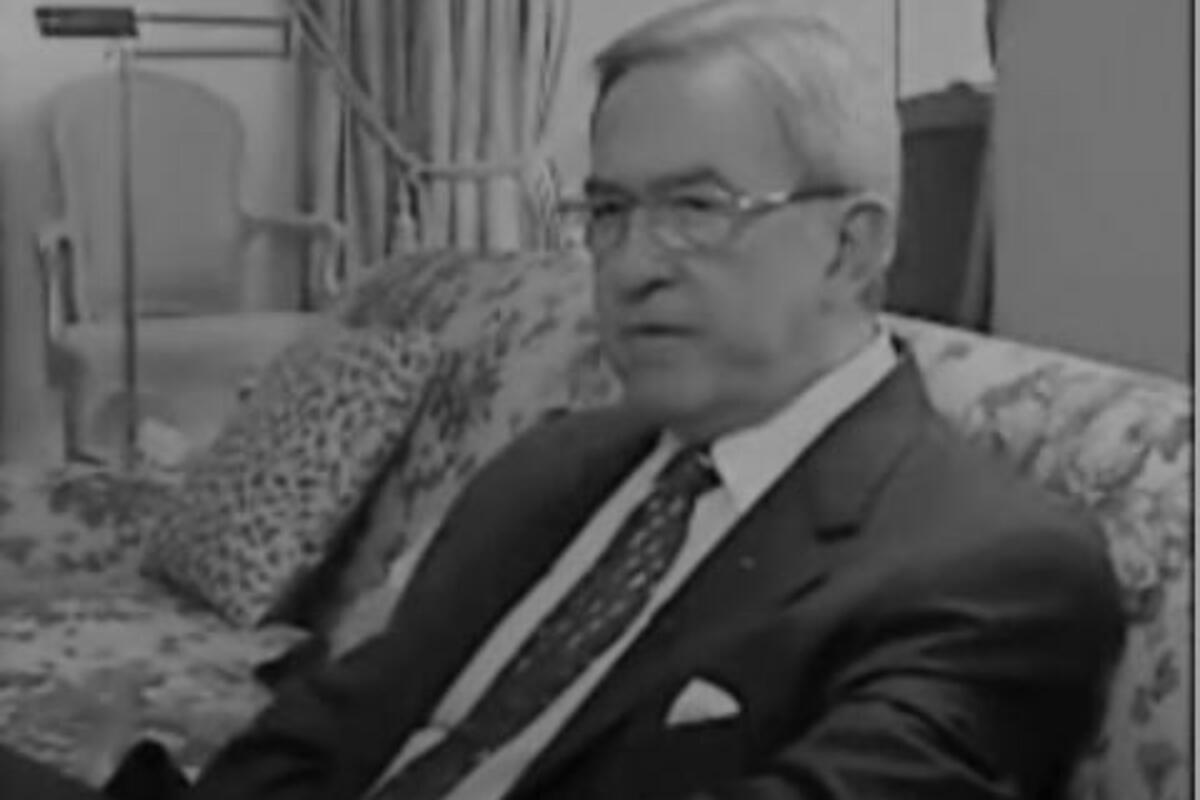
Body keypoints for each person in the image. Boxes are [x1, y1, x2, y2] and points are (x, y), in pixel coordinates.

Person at [0, 1, 1124, 798]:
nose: (631, 265)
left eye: (695, 208)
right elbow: (333, 720)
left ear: (851, 247)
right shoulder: (555, 463)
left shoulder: (992, 571)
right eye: (610, 213)